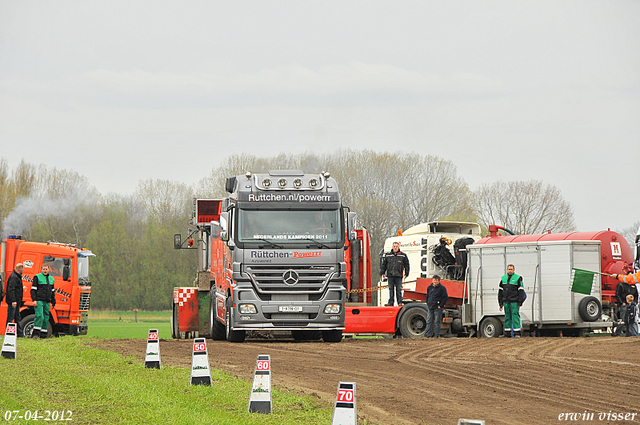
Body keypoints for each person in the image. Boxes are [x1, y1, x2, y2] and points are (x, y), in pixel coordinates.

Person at [30, 263, 56, 339]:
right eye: (43, 269)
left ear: (49, 269)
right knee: (39, 316)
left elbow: (53, 291)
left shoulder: (52, 279)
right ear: (42, 269)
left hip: (47, 301)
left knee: (46, 317)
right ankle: (35, 334)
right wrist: (34, 300)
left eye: (46, 269)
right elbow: (33, 290)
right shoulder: (37, 277)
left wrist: (53, 301)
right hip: (39, 300)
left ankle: (43, 334)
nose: (45, 270)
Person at [498, 264, 525, 337]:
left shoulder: (518, 278)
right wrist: (500, 303)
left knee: (515, 316)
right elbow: (500, 292)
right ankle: (507, 333)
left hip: (514, 302)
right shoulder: (503, 278)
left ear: (514, 270)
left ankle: (517, 333)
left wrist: (520, 302)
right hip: (506, 302)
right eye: (509, 269)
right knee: (507, 317)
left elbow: (521, 291)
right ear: (507, 270)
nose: (510, 270)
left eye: (511, 269)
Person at [380, 242, 410, 306]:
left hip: (398, 275)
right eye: (394, 246)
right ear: (392, 247)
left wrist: (406, 273)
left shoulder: (403, 255)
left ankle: (399, 302)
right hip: (390, 275)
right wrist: (382, 272)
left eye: (396, 246)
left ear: (398, 247)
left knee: (398, 289)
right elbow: (384, 264)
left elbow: (407, 264)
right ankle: (391, 302)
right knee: (391, 289)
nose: (395, 247)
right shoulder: (388, 255)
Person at [612, 270, 639, 336]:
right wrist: (622, 303)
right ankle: (618, 333)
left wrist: (635, 302)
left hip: (632, 305)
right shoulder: (621, 285)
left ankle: (633, 334)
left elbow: (636, 295)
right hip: (624, 305)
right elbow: (617, 294)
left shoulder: (633, 286)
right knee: (624, 319)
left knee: (633, 320)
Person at [5, 263, 25, 337]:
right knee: (11, 317)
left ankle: (19, 333)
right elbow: (11, 289)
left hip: (16, 301)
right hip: (13, 302)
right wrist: (13, 300)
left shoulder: (16, 276)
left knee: (17, 317)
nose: (23, 270)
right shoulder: (14, 277)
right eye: (22, 268)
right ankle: (9, 333)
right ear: (20, 268)